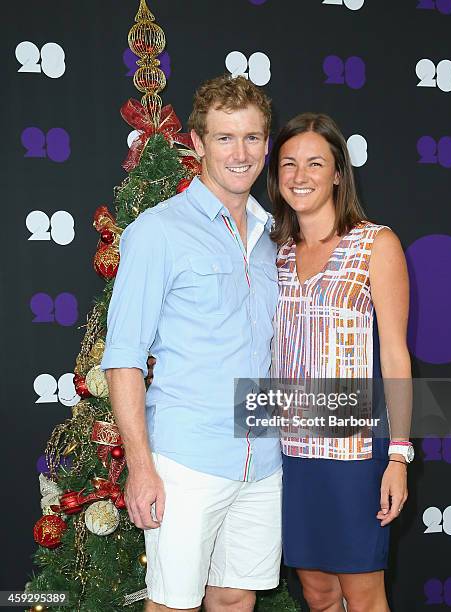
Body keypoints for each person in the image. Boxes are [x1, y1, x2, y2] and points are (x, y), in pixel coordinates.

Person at [101, 75, 282, 612]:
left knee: (233, 599)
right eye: (225, 138)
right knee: (173, 604)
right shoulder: (158, 232)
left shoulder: (275, 237)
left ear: (267, 146)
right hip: (185, 461)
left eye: (252, 137)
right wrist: (140, 466)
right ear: (198, 144)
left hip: (262, 459)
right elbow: (123, 358)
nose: (240, 152)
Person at [268, 113, 412, 612]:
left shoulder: (377, 244)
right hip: (288, 452)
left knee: (364, 594)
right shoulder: (274, 253)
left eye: (314, 163)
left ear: (336, 173)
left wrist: (398, 456)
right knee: (317, 592)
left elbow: (395, 353)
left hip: (354, 453)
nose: (300, 175)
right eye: (288, 164)